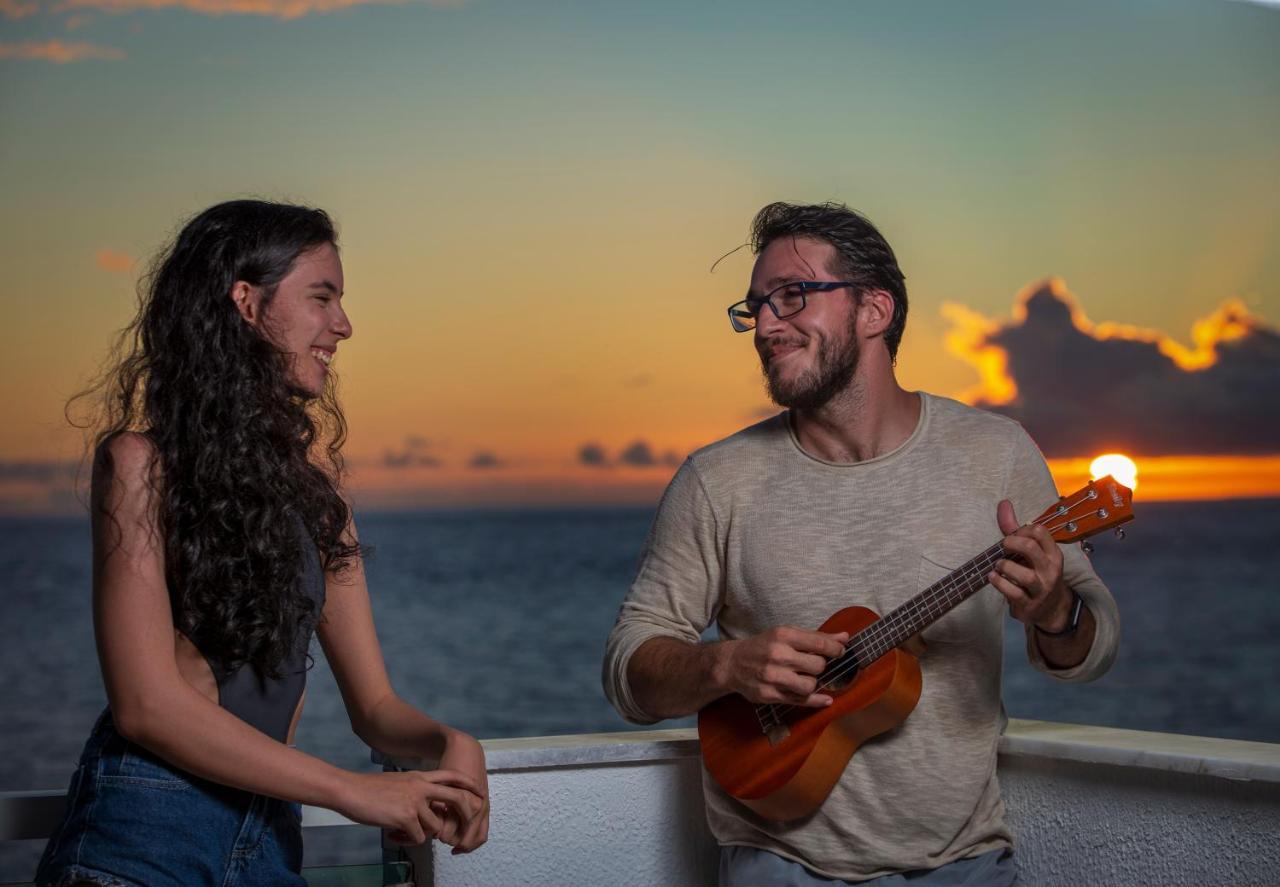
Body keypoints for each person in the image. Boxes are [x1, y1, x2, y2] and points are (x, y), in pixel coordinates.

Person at [602, 201, 1119, 885]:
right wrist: (726, 667)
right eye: (754, 306)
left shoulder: (996, 454)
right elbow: (628, 669)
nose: (764, 324)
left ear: (875, 310)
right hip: (776, 866)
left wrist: (1056, 610)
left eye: (792, 296)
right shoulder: (716, 480)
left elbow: (1089, 651)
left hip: (963, 868)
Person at [37, 200, 489, 886]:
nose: (343, 324)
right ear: (246, 302)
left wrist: (451, 742)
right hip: (147, 828)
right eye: (322, 296)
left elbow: (375, 709)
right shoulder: (139, 465)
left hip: (271, 839)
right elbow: (146, 704)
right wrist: (352, 789)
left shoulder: (319, 497)